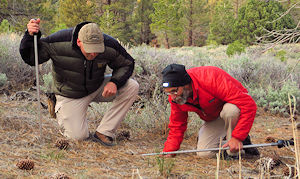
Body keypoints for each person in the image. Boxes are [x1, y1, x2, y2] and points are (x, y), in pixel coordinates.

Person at [19, 19, 139, 146]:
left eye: (97, 50)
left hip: (96, 87)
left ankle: (104, 132)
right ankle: (58, 105)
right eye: (89, 50)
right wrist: (29, 36)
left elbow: (127, 63)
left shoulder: (109, 44)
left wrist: (114, 82)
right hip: (69, 93)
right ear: (78, 42)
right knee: (78, 137)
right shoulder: (58, 41)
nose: (93, 53)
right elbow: (31, 58)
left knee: (131, 86)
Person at [161, 64, 260, 158]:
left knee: (230, 111)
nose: (172, 97)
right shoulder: (175, 98)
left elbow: (248, 104)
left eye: (174, 91)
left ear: (186, 84)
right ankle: (235, 141)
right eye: (168, 93)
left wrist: (238, 137)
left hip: (233, 109)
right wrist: (170, 150)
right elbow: (177, 124)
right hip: (214, 117)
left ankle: (236, 146)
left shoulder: (210, 77)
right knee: (204, 153)